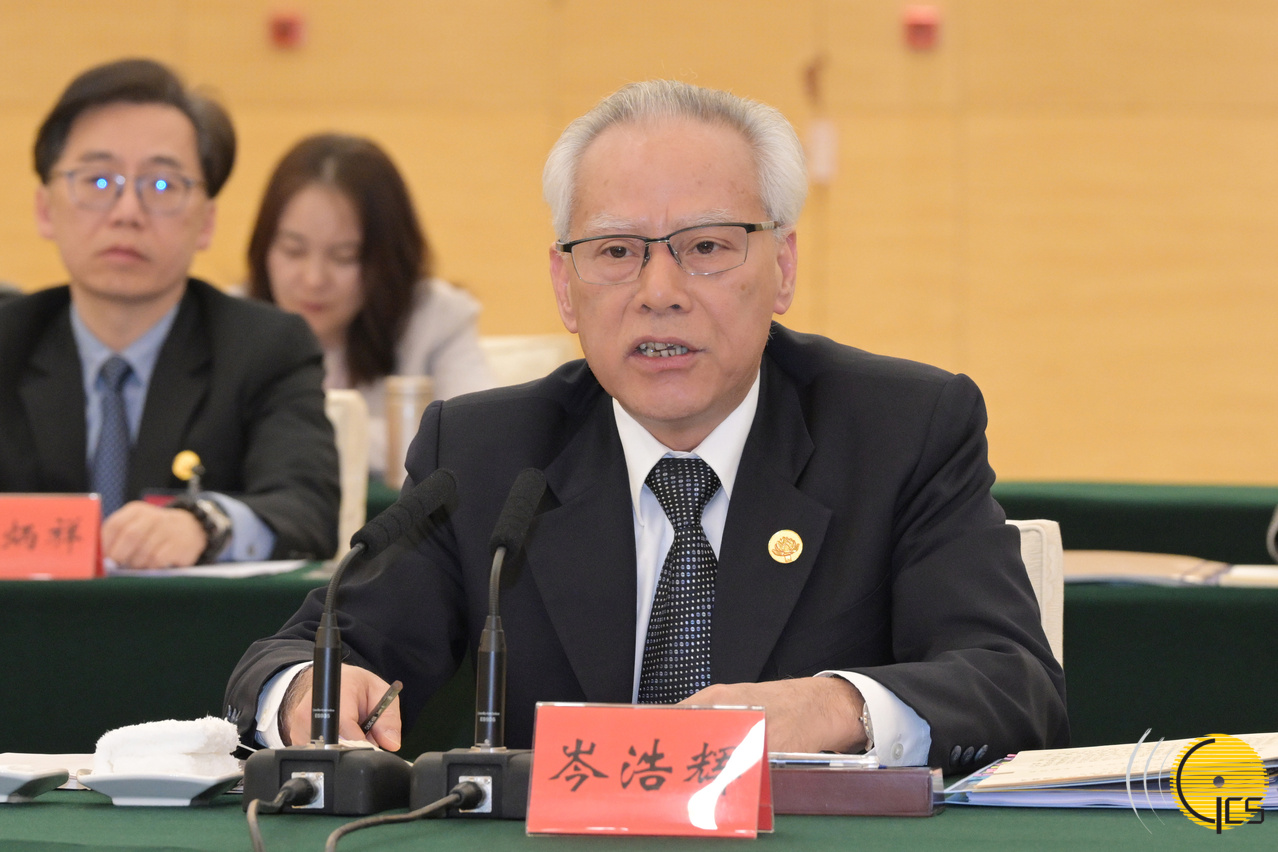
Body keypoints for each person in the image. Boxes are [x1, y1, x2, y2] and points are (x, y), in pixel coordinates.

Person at [226, 80, 1068, 770]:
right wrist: (305, 693)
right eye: (616, 251)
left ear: (782, 267)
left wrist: (834, 705)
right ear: (565, 287)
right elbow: (293, 656)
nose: (659, 291)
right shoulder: (485, 456)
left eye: (706, 247)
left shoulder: (900, 432)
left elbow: (1012, 684)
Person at [0, 58, 339, 569]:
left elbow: (308, 509)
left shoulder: (266, 348)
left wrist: (205, 523)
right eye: (98, 181)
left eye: (161, 185)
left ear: (206, 222)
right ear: (46, 210)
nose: (127, 213)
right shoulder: (8, 343)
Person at [246, 133, 496, 476]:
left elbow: (482, 442)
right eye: (294, 251)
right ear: (264, 248)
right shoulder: (229, 321)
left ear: (387, 259)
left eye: (344, 257)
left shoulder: (436, 319)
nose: (314, 279)